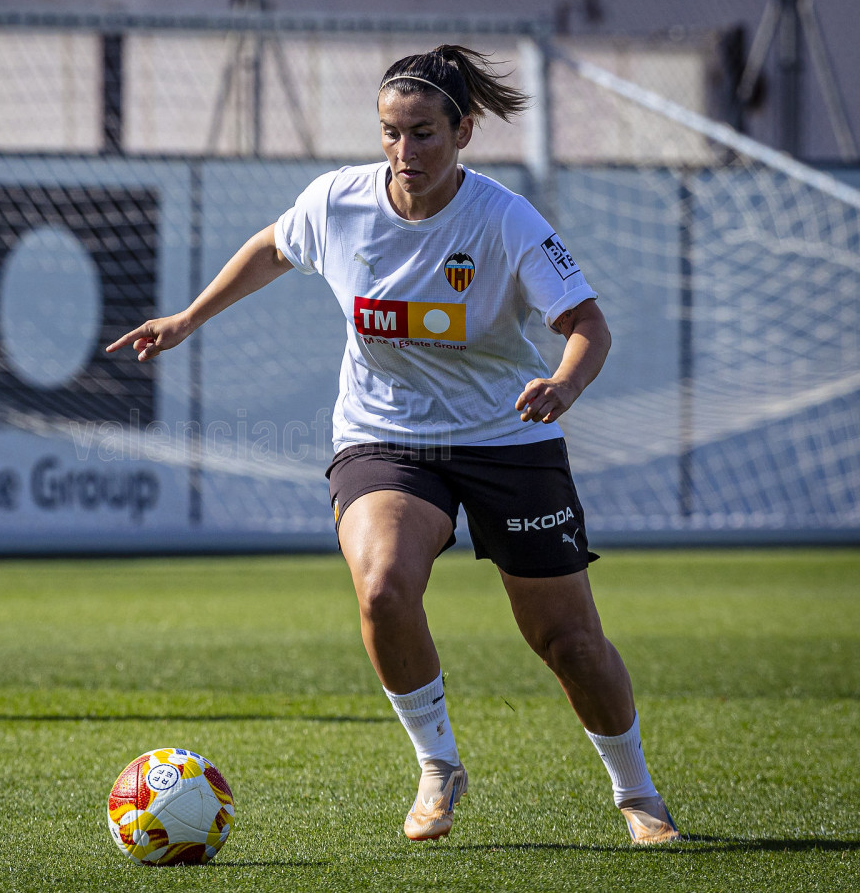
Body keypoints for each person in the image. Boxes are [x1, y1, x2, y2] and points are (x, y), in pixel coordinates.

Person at [107, 44, 678, 846]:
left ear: (464, 132)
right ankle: (438, 765)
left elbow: (587, 324)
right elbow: (273, 246)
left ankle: (637, 792)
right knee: (381, 588)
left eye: (423, 134)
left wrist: (564, 383)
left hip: (507, 435)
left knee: (569, 643)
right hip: (385, 435)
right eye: (389, 132)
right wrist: (186, 319)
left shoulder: (505, 219)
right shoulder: (339, 201)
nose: (403, 151)